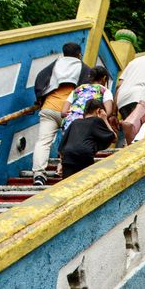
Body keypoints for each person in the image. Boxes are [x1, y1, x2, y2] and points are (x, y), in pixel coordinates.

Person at [32, 42, 90, 186]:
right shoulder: (84, 68)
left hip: (49, 107)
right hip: (71, 111)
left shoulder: (54, 65)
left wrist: (39, 98)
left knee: (43, 141)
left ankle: (39, 174)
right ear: (79, 54)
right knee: (70, 142)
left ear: (64, 53)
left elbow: (40, 80)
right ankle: (65, 170)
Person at [58, 99, 117, 179]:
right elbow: (113, 138)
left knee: (67, 186)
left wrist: (61, 163)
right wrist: (104, 119)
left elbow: (62, 145)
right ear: (98, 111)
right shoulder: (96, 121)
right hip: (84, 155)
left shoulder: (75, 122)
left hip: (68, 156)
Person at [62, 66, 115, 132]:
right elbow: (108, 112)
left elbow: (63, 112)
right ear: (104, 78)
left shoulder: (78, 89)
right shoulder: (104, 91)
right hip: (88, 128)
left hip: (69, 126)